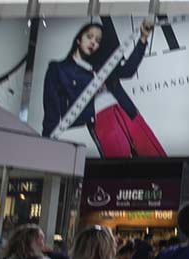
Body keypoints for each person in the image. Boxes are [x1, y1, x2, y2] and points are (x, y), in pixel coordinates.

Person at [42, 21, 165, 157]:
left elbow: (128, 70)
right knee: (119, 168)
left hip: (127, 110)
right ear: (78, 39)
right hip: (101, 119)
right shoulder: (59, 68)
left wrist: (143, 38)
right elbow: (51, 108)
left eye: (98, 40)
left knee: (156, 157)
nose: (93, 42)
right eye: (89, 37)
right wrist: (46, 145)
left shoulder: (102, 64)